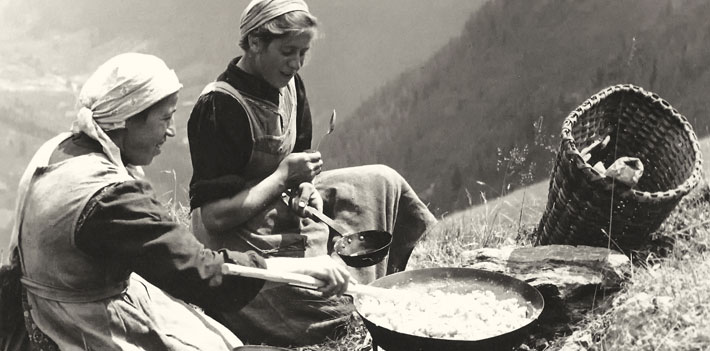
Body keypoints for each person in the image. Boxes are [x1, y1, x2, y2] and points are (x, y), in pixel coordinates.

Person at [3, 52, 351, 351]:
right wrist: (301, 268)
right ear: (128, 119)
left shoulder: (62, 148)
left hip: (60, 294)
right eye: (165, 118)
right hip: (75, 322)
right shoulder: (108, 199)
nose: (170, 131)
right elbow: (202, 273)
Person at [187, 0, 438, 346]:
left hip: (280, 201)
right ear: (256, 43)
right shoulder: (219, 107)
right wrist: (280, 178)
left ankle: (367, 277)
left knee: (384, 182)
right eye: (288, 51)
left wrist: (305, 187)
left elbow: (297, 165)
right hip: (236, 233)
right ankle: (340, 290)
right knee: (333, 307)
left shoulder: (290, 85)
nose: (296, 63)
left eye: (303, 52)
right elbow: (214, 217)